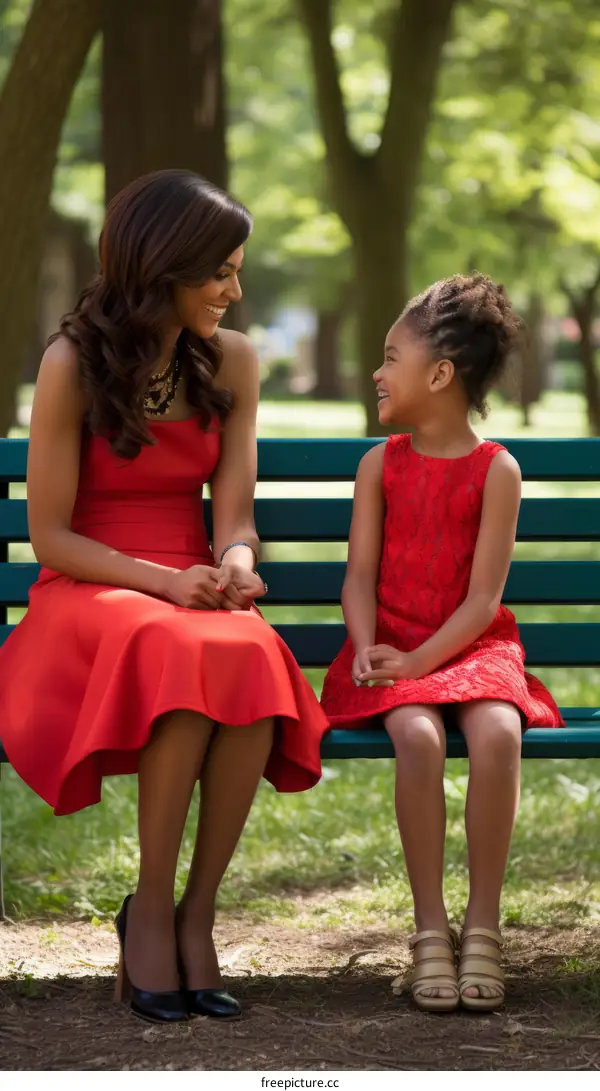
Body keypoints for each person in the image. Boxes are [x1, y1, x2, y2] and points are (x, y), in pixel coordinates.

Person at [0, 169, 328, 1024]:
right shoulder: (72, 361)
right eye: (219, 270)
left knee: (249, 651)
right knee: (182, 646)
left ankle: (197, 910)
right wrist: (165, 581)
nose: (234, 288)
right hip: (91, 584)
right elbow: (53, 534)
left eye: (237, 268)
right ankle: (148, 904)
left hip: (187, 585)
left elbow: (236, 511)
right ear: (163, 265)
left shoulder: (235, 359)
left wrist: (236, 560)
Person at [321, 273, 563, 1013]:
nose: (377, 371)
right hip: (391, 646)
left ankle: (482, 924)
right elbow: (358, 577)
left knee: (496, 730)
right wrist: (367, 646)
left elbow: (484, 599)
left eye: (391, 357)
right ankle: (430, 927)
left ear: (439, 373)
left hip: (471, 646)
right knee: (418, 738)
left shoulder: (498, 471)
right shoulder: (379, 465)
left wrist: (425, 661)